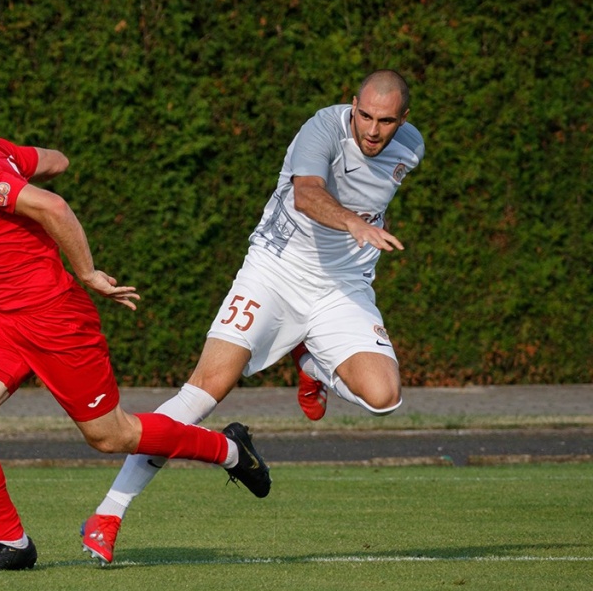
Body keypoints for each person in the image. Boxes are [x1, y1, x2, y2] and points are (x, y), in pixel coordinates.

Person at [0, 69, 271, 571]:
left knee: (111, 436)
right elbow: (55, 162)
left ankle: (229, 450)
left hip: (54, 318)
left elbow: (51, 204)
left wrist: (87, 272)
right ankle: (14, 545)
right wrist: (13, 169)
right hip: (0, 320)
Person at [81, 69, 426, 564]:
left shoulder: (411, 148)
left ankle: (310, 362)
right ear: (353, 104)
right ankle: (108, 514)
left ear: (404, 120)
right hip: (274, 273)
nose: (372, 130)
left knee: (384, 398)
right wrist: (353, 223)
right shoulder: (323, 129)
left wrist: (363, 231)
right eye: (365, 116)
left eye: (386, 121)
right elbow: (307, 193)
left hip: (341, 290)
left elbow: (373, 194)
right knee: (202, 393)